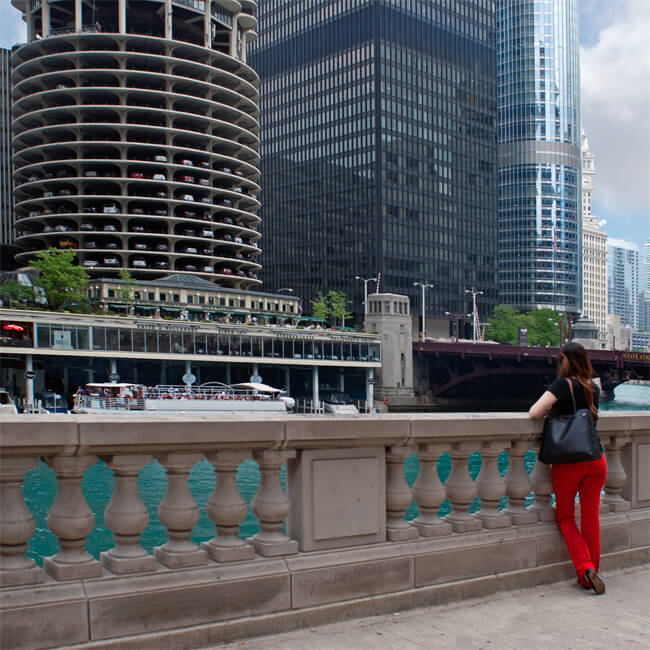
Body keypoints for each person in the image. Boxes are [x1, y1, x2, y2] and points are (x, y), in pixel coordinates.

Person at [528, 342, 607, 595]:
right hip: (596, 459)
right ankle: (591, 572)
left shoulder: (562, 385)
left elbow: (534, 413)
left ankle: (585, 569)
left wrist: (554, 408)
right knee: (591, 518)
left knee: (565, 517)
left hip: (569, 462)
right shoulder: (592, 386)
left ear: (565, 360)